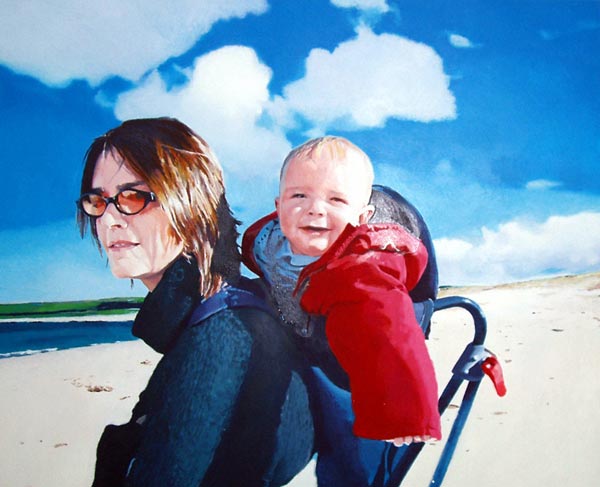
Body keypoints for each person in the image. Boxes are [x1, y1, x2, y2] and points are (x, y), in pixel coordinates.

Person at [76, 117, 314, 487]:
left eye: (132, 197)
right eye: (97, 201)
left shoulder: (223, 332)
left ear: (192, 204)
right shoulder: (223, 311)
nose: (109, 220)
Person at [242, 136, 441, 449]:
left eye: (335, 200)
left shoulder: (364, 266)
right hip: (306, 311)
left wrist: (402, 414)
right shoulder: (267, 244)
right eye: (299, 195)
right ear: (278, 207)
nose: (315, 209)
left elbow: (389, 330)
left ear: (361, 219)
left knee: (353, 448)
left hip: (379, 327)